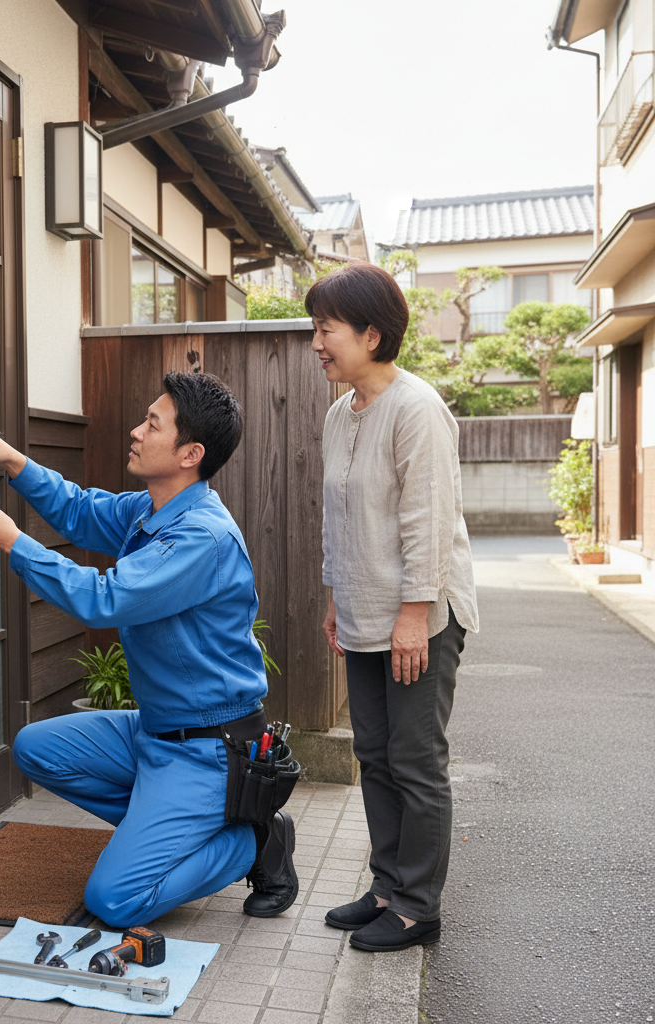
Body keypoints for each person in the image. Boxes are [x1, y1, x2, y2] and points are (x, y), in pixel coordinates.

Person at [0, 371, 298, 928]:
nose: (136, 432)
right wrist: (14, 462)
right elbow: (81, 511)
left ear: (191, 453)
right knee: (36, 748)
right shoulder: (152, 510)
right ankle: (170, 830)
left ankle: (250, 842)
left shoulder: (199, 538)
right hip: (155, 731)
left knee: (115, 901)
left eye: (152, 424)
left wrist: (15, 542)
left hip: (207, 748)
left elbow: (102, 599)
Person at [308, 262, 479, 953]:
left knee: (415, 758)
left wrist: (415, 614)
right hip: (364, 609)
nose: (316, 342)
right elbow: (338, 516)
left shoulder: (416, 409)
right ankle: (386, 888)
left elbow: (427, 524)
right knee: (374, 755)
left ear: (371, 334)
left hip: (421, 615)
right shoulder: (337, 413)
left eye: (327, 329)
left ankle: (416, 906)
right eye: (315, 329)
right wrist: (334, 594)